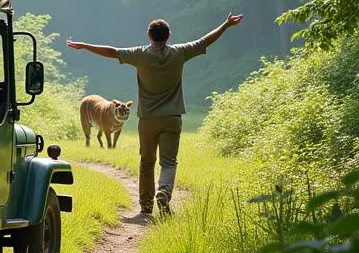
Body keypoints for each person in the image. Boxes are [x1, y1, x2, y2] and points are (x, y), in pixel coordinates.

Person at [66, 13, 243, 216]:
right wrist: (226, 25)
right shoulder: (180, 52)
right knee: (169, 162)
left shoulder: (140, 54)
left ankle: (146, 205)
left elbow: (112, 52)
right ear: (169, 34)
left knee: (147, 162)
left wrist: (85, 46)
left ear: (149, 35)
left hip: (148, 119)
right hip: (172, 118)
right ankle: (164, 194)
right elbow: (206, 40)